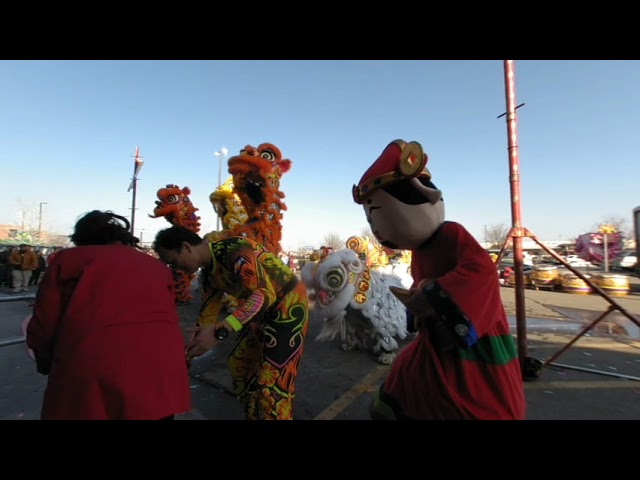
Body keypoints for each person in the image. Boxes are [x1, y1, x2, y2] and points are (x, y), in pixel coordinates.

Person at [352, 139, 525, 420]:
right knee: (405, 383)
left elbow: (481, 273)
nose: (377, 230)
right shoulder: (420, 251)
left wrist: (433, 295)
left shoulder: (452, 235)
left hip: (471, 340)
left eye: (377, 215)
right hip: (433, 340)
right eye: (371, 222)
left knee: (474, 399)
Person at [26, 210, 191, 420]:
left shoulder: (66, 262)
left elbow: (43, 325)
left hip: (92, 373)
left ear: (80, 238)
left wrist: (44, 360)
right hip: (161, 374)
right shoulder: (156, 267)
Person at [153, 225, 309, 420]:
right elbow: (206, 319)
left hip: (288, 307)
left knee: (272, 384)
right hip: (259, 313)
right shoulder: (209, 276)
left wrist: (222, 330)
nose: (176, 269)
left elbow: (264, 295)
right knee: (238, 364)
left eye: (173, 262)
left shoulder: (234, 250)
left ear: (186, 247)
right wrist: (187, 357)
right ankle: (255, 414)